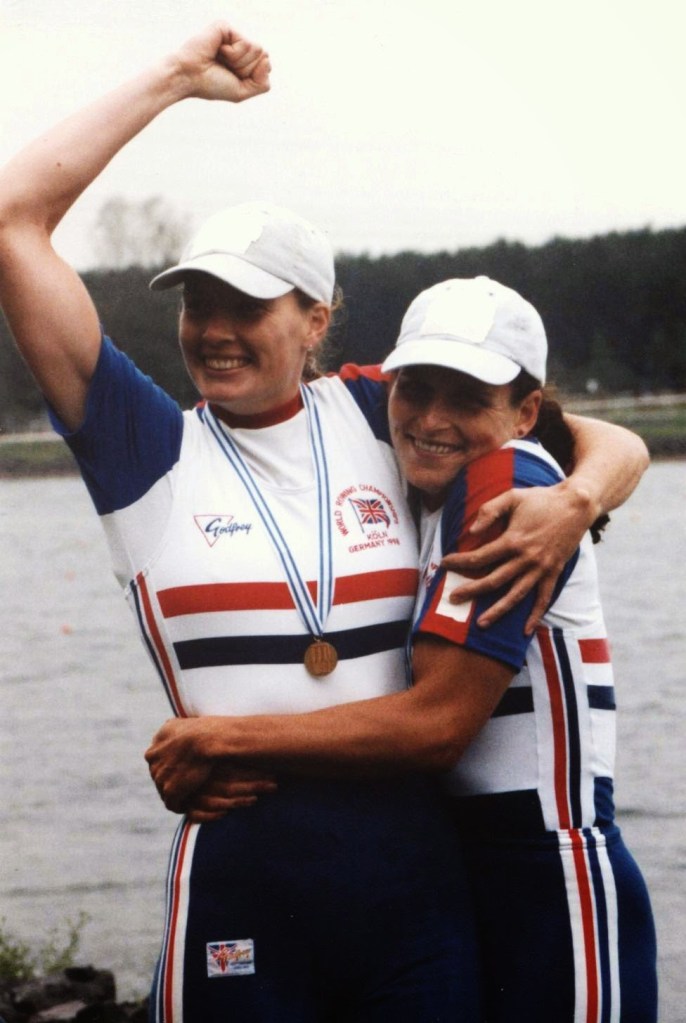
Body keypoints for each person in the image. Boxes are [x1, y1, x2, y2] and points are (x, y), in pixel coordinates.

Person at [0, 20, 649, 1023]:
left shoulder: (382, 412)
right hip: (245, 880)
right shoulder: (143, 448)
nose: (214, 330)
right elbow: (13, 221)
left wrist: (579, 497)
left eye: (247, 304)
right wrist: (173, 80)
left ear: (314, 319)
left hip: (417, 891)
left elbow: (567, 426)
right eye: (195, 303)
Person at [149, 278, 657, 1023]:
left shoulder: (506, 483)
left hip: (550, 872)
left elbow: (439, 726)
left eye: (465, 398)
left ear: (524, 412)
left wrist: (220, 739)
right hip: (465, 869)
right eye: (414, 388)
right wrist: (586, 493)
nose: (430, 418)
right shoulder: (431, 481)